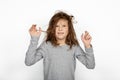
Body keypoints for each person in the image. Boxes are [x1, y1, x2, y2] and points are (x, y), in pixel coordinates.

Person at [25, 11, 95, 80]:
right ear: (52, 29)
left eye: (64, 26)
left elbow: (90, 65)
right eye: (57, 26)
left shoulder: (74, 46)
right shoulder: (46, 46)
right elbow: (29, 62)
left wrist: (87, 46)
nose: (60, 29)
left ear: (69, 29)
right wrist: (34, 39)